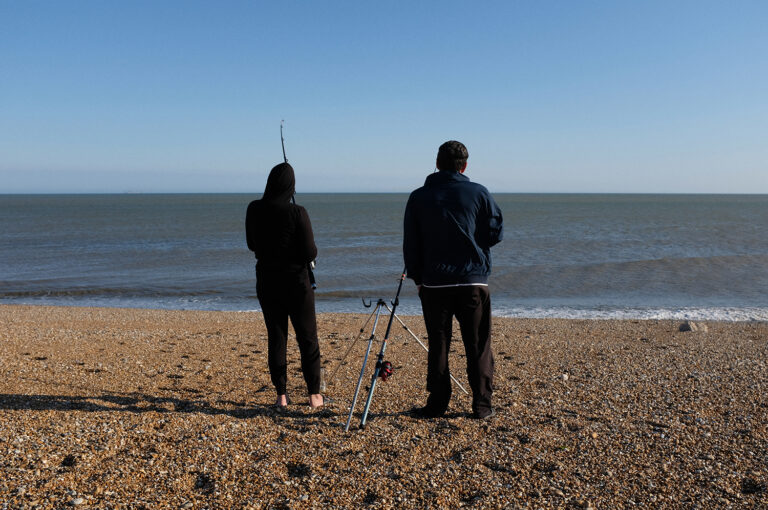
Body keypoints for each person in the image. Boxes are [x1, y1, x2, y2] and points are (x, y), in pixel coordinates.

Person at [403, 141, 503, 419]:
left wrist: (417, 277)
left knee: (439, 342)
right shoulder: (479, 193)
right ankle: (482, 405)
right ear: (465, 165)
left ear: (437, 163)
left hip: (435, 282)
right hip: (472, 281)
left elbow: (411, 242)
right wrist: (474, 242)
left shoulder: (419, 196)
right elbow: (496, 232)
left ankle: (437, 403)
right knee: (478, 344)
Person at [245, 162, 324, 409]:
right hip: (297, 283)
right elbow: (310, 251)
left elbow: (251, 244)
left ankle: (281, 395)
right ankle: (314, 395)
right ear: (291, 185)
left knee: (277, 338)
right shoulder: (297, 212)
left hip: (267, 281)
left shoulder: (254, 209)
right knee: (308, 338)